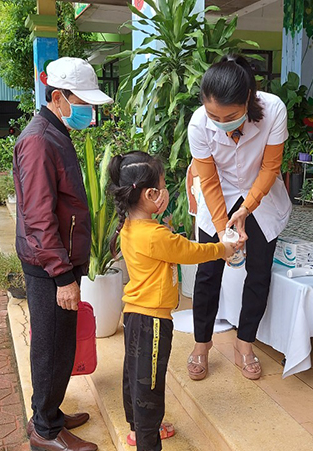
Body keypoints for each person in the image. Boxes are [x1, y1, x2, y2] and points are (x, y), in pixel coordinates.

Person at [14, 57, 113, 451]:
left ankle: (49, 412)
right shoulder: (39, 140)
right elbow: (39, 217)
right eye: (82, 101)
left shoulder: (54, 132)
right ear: (57, 97)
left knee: (59, 344)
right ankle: (45, 431)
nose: (88, 111)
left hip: (56, 261)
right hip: (49, 265)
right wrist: (61, 276)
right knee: (52, 347)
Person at [107, 152, 237, 451]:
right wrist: (224, 249)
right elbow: (192, 251)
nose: (166, 191)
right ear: (152, 194)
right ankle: (147, 441)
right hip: (152, 321)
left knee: (135, 377)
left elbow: (165, 246)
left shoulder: (131, 226)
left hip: (135, 316)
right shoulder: (155, 235)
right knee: (149, 385)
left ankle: (138, 429)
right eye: (164, 186)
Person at [186, 54, 291, 381]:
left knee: (258, 273)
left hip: (261, 194)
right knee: (208, 273)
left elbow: (271, 167)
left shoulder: (273, 110)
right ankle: (201, 345)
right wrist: (223, 232)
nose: (220, 122)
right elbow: (209, 180)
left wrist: (246, 209)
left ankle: (244, 344)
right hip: (218, 196)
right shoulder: (197, 124)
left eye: (229, 116)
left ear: (247, 98)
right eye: (213, 115)